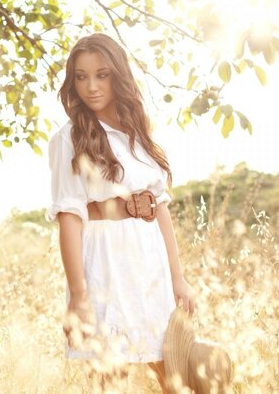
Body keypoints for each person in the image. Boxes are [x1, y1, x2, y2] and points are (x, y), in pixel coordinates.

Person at [45, 33, 197, 393]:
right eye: (80, 77)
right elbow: (69, 217)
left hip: (150, 259)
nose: (91, 87)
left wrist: (178, 278)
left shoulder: (138, 133)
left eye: (102, 75)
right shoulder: (69, 138)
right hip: (105, 262)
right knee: (109, 380)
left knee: (175, 375)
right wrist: (79, 297)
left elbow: (159, 209)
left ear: (119, 76)